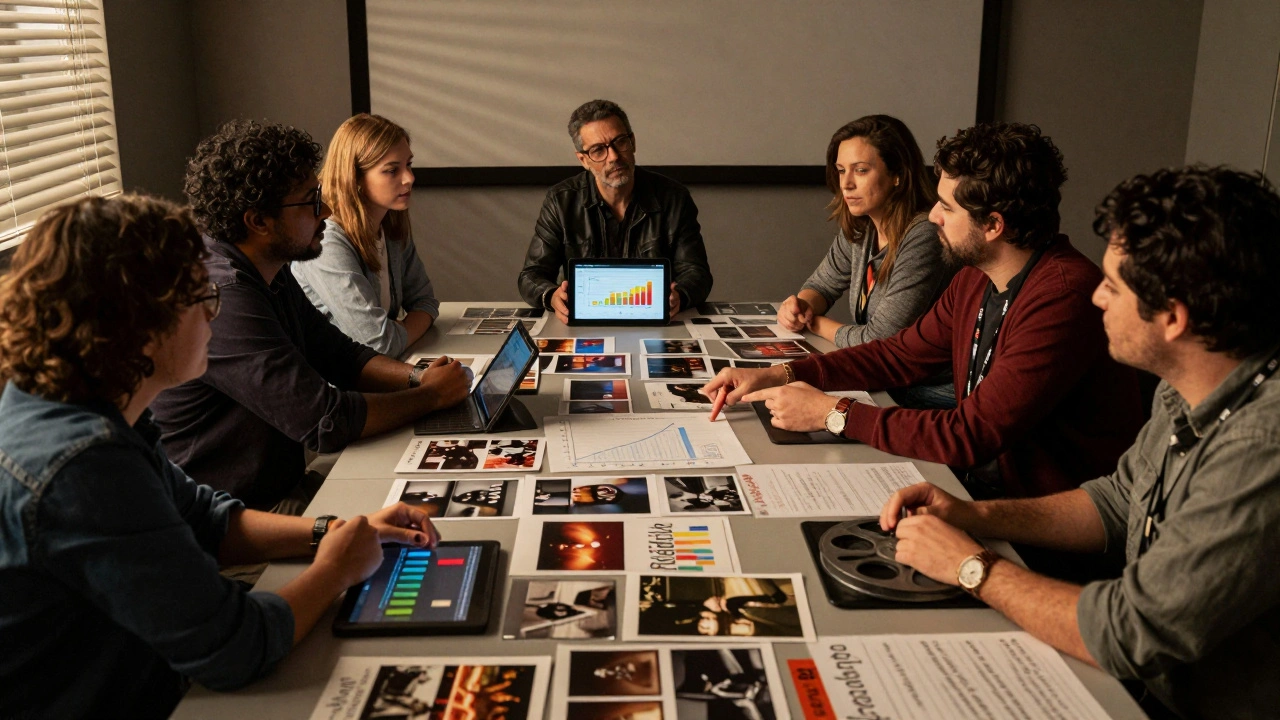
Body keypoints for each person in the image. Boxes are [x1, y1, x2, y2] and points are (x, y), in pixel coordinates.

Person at [0, 195, 442, 718]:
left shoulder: (83, 404)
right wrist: (336, 571)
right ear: (139, 323)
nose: (215, 310)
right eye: (200, 295)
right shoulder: (82, 465)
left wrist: (340, 530)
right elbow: (236, 646)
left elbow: (205, 520)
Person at [879, 166, 1280, 720]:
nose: (1096, 297)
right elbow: (1116, 502)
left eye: (1114, 286)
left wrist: (973, 566)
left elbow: (1133, 631)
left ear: (1172, 318)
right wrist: (975, 514)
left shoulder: (1263, 447)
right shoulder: (1186, 385)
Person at [703, 122, 1143, 500]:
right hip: (978, 487)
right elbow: (897, 354)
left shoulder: (1061, 296)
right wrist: (782, 374)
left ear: (993, 225)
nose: (932, 216)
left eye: (947, 207)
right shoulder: (977, 274)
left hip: (1036, 517)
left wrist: (832, 414)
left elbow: (970, 435)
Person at [152, 120, 471, 512]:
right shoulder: (222, 298)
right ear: (259, 221)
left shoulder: (269, 266)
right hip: (239, 517)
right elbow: (326, 421)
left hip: (282, 487)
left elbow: (341, 355)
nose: (328, 209)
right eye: (311, 200)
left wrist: (417, 378)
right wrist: (431, 395)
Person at [776, 115, 957, 408]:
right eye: (840, 170)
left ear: (897, 174)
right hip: (885, 380)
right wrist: (802, 305)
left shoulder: (924, 234)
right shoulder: (863, 227)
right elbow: (821, 284)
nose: (846, 184)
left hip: (928, 394)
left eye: (861, 170)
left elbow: (880, 341)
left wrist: (814, 323)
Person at [518, 99, 713, 323]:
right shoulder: (561, 201)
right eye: (598, 150)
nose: (614, 157)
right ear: (583, 160)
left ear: (633, 142)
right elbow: (531, 275)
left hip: (656, 322)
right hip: (584, 326)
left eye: (619, 142)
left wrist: (680, 296)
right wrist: (552, 296)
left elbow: (697, 273)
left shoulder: (674, 198)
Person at [292, 113, 440, 358]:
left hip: (380, 372)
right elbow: (379, 343)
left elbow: (426, 301)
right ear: (355, 178)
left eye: (409, 165)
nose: (409, 178)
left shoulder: (391, 225)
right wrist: (397, 333)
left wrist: (396, 333)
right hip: (336, 388)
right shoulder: (326, 240)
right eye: (392, 170)